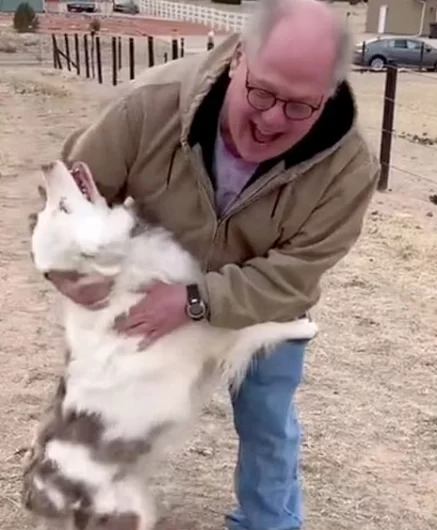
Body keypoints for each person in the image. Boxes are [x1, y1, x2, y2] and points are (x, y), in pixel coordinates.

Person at [39, 0, 380, 528]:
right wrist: (71, 273)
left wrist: (196, 301)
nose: (271, 119)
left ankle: (269, 521)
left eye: (299, 107)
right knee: (92, 391)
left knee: (269, 423)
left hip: (260, 305)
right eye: (262, 92)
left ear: (329, 94)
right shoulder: (147, 106)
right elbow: (70, 199)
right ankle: (69, 493)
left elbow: (297, 271)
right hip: (150, 283)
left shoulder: (349, 167)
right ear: (238, 56)